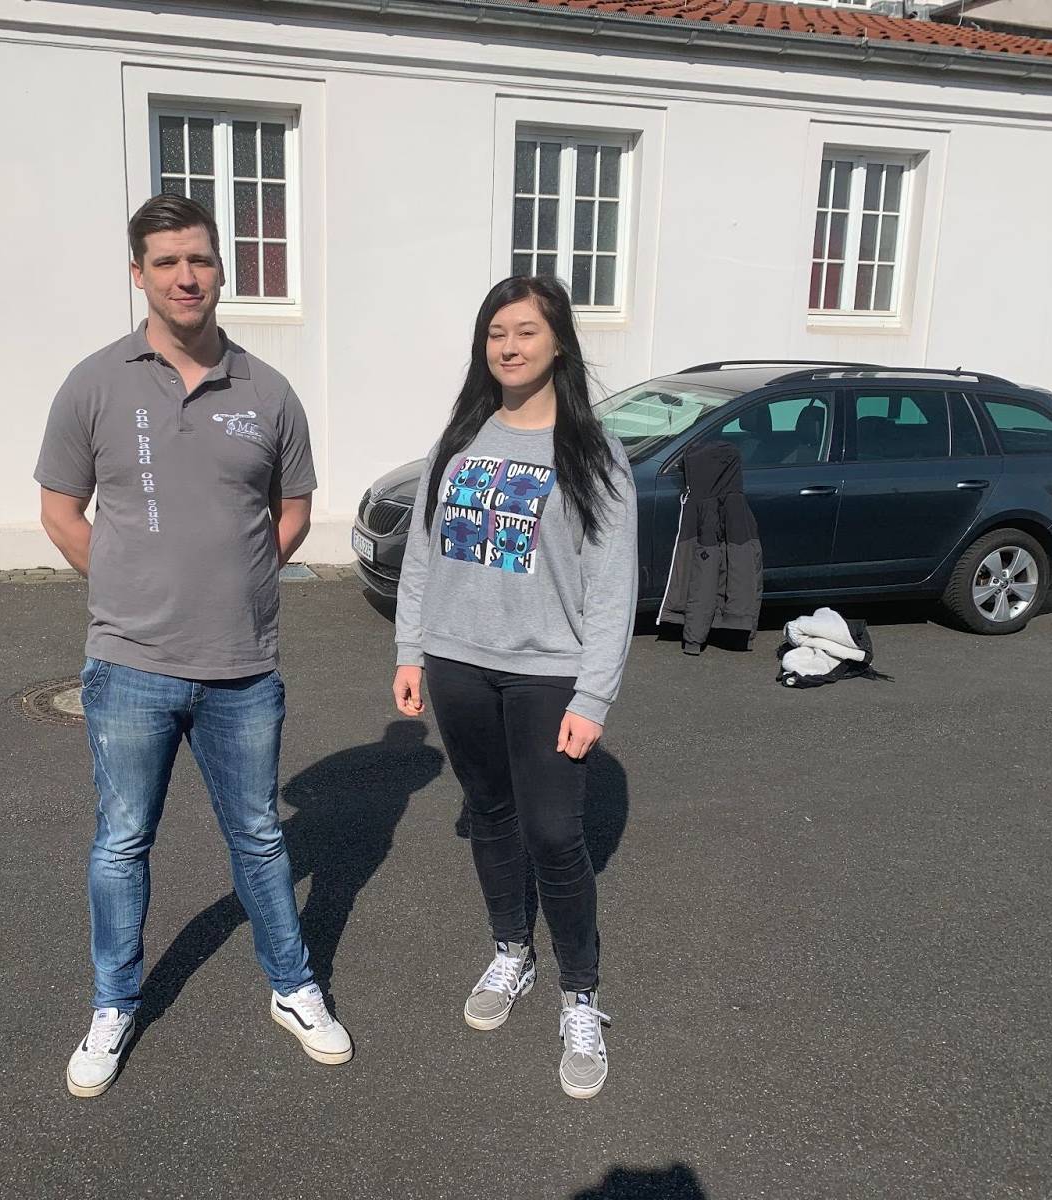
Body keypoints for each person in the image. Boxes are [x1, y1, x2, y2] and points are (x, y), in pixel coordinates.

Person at [36, 194, 351, 1099]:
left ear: (221, 269)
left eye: (201, 260)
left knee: (258, 836)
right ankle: (113, 1003)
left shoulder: (267, 390)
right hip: (128, 665)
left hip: (241, 670)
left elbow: (292, 511)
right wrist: (128, 587)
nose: (187, 277)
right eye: (167, 262)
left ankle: (292, 987)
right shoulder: (94, 382)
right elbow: (60, 510)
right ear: (138, 273)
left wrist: (238, 583)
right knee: (121, 842)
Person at [391, 275, 638, 1099]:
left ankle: (580, 994)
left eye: (526, 331)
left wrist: (593, 697)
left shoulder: (592, 452)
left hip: (549, 672)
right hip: (458, 662)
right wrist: (411, 649)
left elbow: (613, 585)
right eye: (497, 332)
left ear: (558, 342)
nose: (509, 346)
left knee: (556, 834)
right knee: (490, 813)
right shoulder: (461, 439)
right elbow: (423, 551)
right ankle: (510, 951)